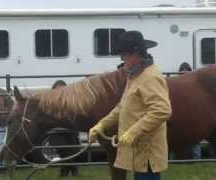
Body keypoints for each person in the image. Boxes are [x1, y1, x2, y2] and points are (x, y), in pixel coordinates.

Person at [89, 30, 172, 180]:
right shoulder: (135, 76)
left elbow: (162, 110)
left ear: (135, 54)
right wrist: (101, 125)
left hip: (148, 154)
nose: (122, 59)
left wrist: (133, 132)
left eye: (124, 55)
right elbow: (122, 106)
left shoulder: (151, 77)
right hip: (139, 151)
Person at [49, 80, 80, 177]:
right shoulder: (49, 101)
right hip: (55, 132)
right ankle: (73, 168)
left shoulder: (71, 100)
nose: (60, 92)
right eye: (58, 89)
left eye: (63, 89)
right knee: (64, 150)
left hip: (70, 130)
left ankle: (65, 172)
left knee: (72, 150)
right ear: (54, 90)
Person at [178, 62, 202, 160]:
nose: (184, 75)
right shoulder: (177, 85)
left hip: (192, 115)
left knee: (195, 137)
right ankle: (178, 158)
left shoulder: (195, 85)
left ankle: (197, 158)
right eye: (182, 73)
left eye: (186, 73)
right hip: (181, 115)